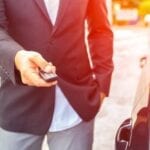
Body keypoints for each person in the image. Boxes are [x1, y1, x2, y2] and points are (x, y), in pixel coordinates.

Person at [0, 0, 113, 150]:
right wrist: (16, 57)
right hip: (18, 103)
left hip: (76, 104)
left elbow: (100, 30)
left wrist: (102, 83)